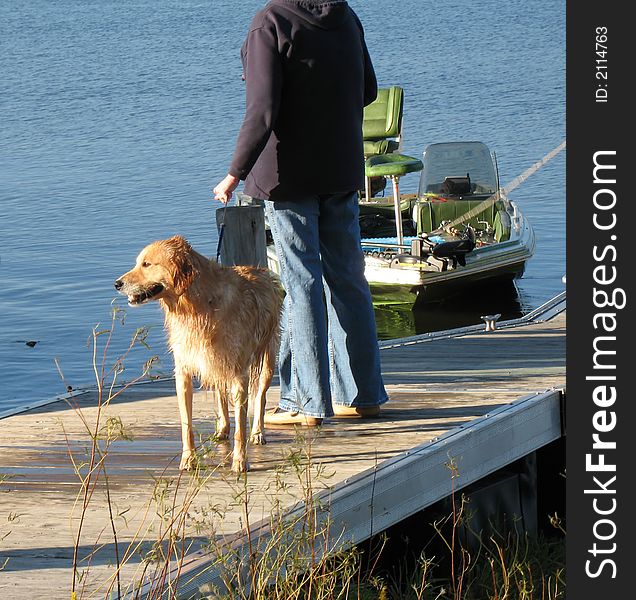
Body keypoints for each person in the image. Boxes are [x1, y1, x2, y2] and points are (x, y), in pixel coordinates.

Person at [213, 0, 388, 426]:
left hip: (286, 176)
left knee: (301, 281)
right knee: (348, 277)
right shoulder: (346, 16)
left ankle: (304, 401)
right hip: (342, 168)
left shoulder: (269, 23)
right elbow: (367, 90)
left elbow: (263, 110)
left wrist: (234, 173)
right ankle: (362, 394)